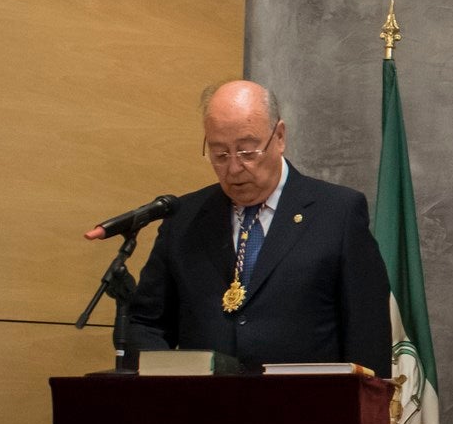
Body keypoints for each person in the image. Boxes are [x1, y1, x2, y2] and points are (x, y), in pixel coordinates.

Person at [128, 80, 392, 375]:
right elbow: (146, 324)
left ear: (279, 137)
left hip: (307, 412)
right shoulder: (184, 219)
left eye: (247, 152)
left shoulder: (338, 213)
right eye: (220, 154)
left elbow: (368, 335)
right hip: (204, 412)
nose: (234, 169)